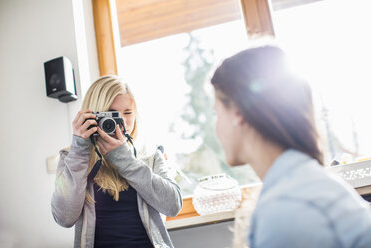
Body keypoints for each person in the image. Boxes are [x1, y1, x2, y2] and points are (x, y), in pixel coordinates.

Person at [210, 45, 371, 247]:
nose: (216, 128)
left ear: (238, 113)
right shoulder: (305, 182)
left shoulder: (285, 210)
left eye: (216, 113)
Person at [51, 75, 182, 248]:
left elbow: (173, 206)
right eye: (111, 114)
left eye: (127, 113)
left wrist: (124, 159)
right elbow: (64, 218)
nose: (121, 122)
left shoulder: (150, 155)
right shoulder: (72, 157)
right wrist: (80, 149)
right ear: (94, 115)